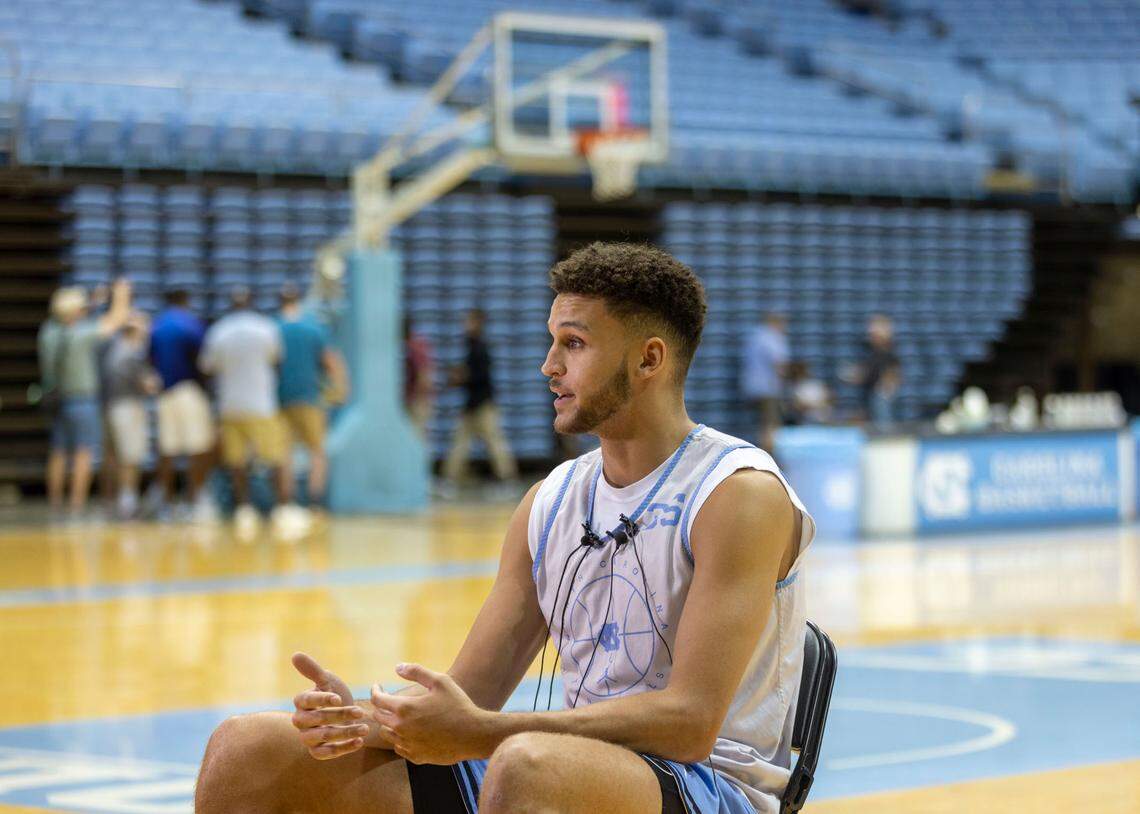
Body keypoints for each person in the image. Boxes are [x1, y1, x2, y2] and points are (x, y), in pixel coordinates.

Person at [195, 242, 816, 814]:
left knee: (526, 769)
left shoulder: (738, 494)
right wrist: (368, 720)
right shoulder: (550, 501)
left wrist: (486, 734)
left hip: (709, 784)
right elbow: (471, 696)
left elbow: (690, 723)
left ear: (649, 358)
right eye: (552, 341)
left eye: (574, 344)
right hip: (564, 767)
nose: (549, 365)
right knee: (245, 750)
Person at [199, 286, 306, 541]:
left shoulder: (219, 331)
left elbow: (207, 367)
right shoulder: (265, 328)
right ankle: (283, 507)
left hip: (231, 404)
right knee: (276, 457)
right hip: (261, 404)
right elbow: (277, 362)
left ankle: (244, 509)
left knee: (237, 461)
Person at [38, 280, 132, 515]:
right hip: (82, 400)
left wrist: (92, 302)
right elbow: (116, 320)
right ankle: (76, 504)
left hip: (57, 399)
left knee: (58, 452)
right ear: (75, 312)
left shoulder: (48, 332)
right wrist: (121, 295)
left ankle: (55, 503)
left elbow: (68, 318)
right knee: (83, 453)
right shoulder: (82, 334)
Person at [277, 284, 349, 509]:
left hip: (280, 399)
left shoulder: (273, 328)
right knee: (317, 452)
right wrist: (340, 390)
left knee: (284, 453)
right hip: (310, 398)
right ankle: (315, 502)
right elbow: (332, 362)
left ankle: (286, 503)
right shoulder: (313, 328)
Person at [149, 289, 214, 521]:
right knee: (198, 447)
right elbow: (203, 362)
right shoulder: (191, 325)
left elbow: (150, 361)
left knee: (167, 450)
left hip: (165, 393)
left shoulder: (156, 326)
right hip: (189, 390)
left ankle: (165, 504)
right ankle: (195, 500)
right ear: (186, 301)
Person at [441, 308, 517, 490]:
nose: (466, 325)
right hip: (472, 405)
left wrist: (462, 377)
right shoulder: (471, 345)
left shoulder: (480, 348)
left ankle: (508, 480)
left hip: (483, 405)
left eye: (470, 321)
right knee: (460, 443)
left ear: (479, 323)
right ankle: (449, 480)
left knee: (494, 442)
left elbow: (480, 376)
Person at [101, 312, 160, 519]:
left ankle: (112, 500)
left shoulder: (113, 350)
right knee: (130, 456)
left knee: (114, 455)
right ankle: (128, 500)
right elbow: (150, 386)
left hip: (112, 406)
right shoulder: (131, 353)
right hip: (127, 407)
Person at [740, 312, 789, 452]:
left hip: (751, 386)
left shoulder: (755, 336)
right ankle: (768, 453)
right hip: (767, 387)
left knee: (762, 422)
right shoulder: (772, 338)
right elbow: (778, 364)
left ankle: (763, 449)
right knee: (770, 423)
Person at [859, 314, 901, 428]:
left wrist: (887, 387)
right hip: (870, 390)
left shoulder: (889, 351)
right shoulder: (872, 352)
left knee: (883, 417)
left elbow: (893, 371)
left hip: (881, 392)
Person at [403, 318, 434, 438]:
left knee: (417, 437)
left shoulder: (415, 347)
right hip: (416, 399)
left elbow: (424, 374)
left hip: (418, 400)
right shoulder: (416, 344)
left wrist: (418, 397)